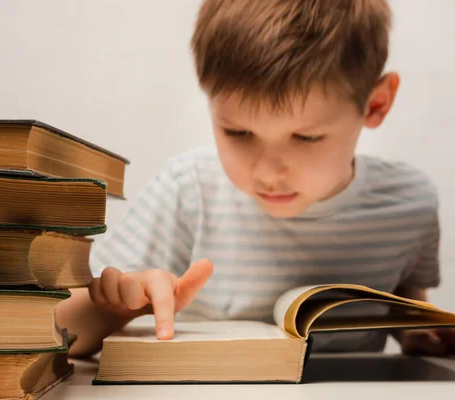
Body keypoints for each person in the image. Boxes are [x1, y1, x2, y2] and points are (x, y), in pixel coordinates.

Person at [56, 0, 455, 357]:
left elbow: (407, 310)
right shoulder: (189, 190)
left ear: (376, 103)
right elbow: (58, 331)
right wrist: (116, 307)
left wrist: (416, 335)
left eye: (306, 137)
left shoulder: (410, 205)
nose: (267, 173)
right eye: (238, 133)